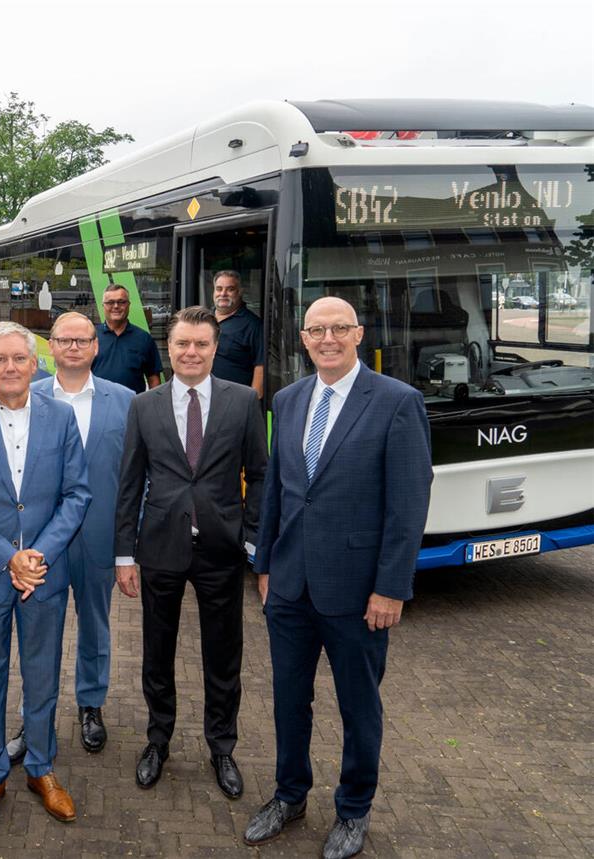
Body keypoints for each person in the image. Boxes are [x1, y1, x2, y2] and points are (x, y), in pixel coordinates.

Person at [244, 297, 432, 859]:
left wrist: (392, 587)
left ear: (358, 334)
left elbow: (408, 504)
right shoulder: (289, 397)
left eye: (339, 329)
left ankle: (353, 810)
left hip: (357, 592)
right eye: (317, 330)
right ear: (303, 339)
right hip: (290, 586)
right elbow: (277, 488)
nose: (328, 338)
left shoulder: (398, 403)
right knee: (287, 700)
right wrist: (266, 565)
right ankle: (289, 795)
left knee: (358, 706)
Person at [0, 321, 90, 832]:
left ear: (35, 364)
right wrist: (9, 558)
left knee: (43, 674)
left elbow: (77, 494)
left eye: (19, 359)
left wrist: (38, 556)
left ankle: (42, 769)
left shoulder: (62, 418)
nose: (9, 367)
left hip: (45, 573)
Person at [114, 305, 267, 798]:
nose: (191, 352)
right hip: (160, 546)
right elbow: (130, 482)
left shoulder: (243, 401)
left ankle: (222, 746)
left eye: (201, 344)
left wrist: (252, 537)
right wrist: (124, 554)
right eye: (182, 344)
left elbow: (261, 475)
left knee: (223, 655)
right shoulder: (145, 405)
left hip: (221, 550)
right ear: (169, 349)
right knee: (158, 652)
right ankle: (158, 740)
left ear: (215, 348)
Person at [5, 312, 133, 763]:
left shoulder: (126, 401)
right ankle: (33, 715)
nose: (74, 347)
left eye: (83, 340)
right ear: (51, 347)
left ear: (96, 347)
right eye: (64, 340)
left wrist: (127, 550)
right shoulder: (25, 395)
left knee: (95, 628)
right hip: (42, 544)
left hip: (99, 539)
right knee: (38, 632)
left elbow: (137, 479)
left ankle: (90, 706)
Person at [91, 284, 162, 393]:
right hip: (98, 405)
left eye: (121, 302)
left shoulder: (144, 338)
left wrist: (154, 407)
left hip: (133, 407)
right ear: (103, 306)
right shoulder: (91, 337)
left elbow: (153, 379)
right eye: (110, 302)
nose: (116, 306)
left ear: (128, 305)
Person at [209, 270, 264, 397]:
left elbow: (260, 366)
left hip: (234, 401)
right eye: (219, 289)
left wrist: (253, 401)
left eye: (230, 289)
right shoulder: (204, 319)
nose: (223, 294)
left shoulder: (253, 325)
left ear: (239, 292)